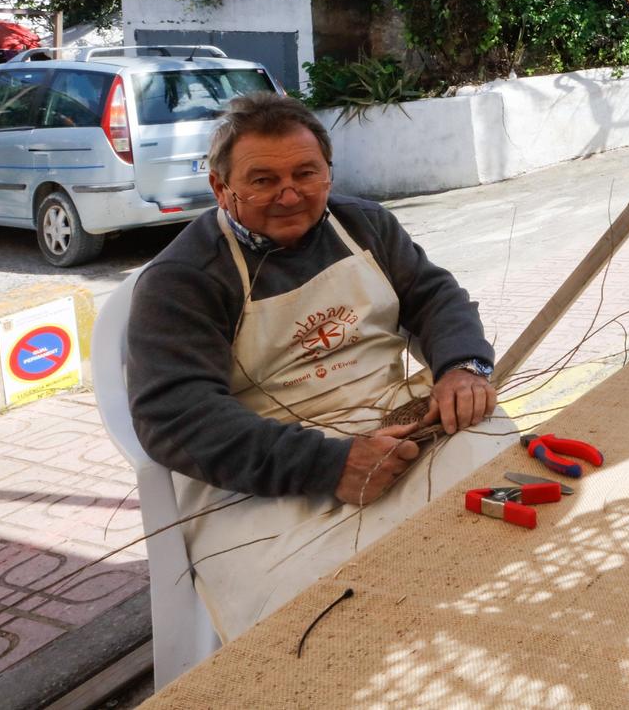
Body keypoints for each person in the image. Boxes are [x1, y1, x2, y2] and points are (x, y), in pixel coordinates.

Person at [126, 92, 508, 638]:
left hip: (402, 423)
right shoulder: (182, 279)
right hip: (266, 470)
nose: (289, 195)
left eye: (307, 173)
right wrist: (330, 466)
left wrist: (463, 366)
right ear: (220, 187)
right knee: (333, 618)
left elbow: (433, 295)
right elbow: (176, 416)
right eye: (262, 181)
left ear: (329, 172)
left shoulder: (364, 224)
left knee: (501, 503)